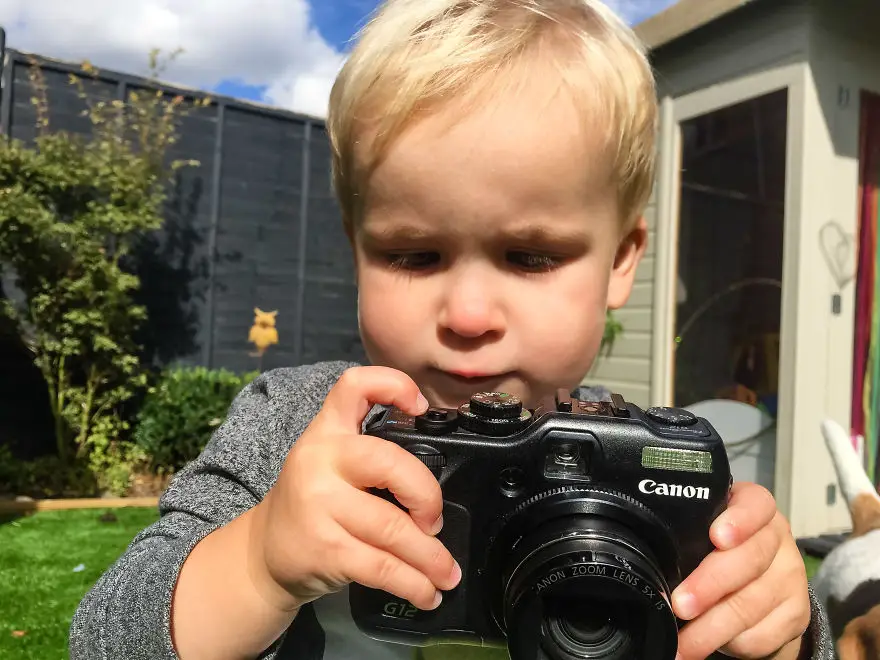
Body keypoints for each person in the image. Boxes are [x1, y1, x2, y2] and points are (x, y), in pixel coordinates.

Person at [69, 0, 835, 658]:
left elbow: (754, 627)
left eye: (530, 256)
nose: (467, 316)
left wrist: (780, 629)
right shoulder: (292, 430)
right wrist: (256, 564)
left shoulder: (642, 468)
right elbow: (104, 637)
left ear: (621, 260)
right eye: (413, 255)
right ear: (356, 246)